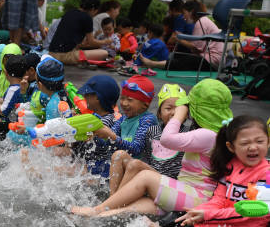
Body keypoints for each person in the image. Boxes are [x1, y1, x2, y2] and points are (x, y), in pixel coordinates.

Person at [71, 78, 233, 217]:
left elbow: (167, 139)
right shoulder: (212, 133)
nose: (182, 111)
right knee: (130, 207)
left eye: (186, 107)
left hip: (195, 195)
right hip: (188, 191)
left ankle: (98, 209)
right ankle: (104, 213)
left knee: (146, 177)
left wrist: (179, 114)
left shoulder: (208, 135)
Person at [108, 84, 188, 194]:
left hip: (171, 184)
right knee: (119, 155)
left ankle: (114, 201)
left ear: (186, 113)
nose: (174, 113)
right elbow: (147, 159)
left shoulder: (188, 134)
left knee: (136, 164)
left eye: (178, 109)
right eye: (168, 108)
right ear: (159, 114)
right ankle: (113, 197)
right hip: (151, 175)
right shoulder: (153, 131)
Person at [71, 75, 121, 178]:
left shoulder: (106, 121)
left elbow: (93, 138)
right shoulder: (95, 116)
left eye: (87, 94)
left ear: (97, 98)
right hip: (90, 162)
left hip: (99, 167)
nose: (84, 97)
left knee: (63, 171)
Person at [48, 0, 109, 64]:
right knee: (104, 53)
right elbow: (91, 42)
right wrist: (105, 42)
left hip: (51, 53)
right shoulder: (87, 18)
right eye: (96, 12)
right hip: (64, 56)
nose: (95, 14)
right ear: (92, 9)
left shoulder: (70, 12)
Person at [165, 0, 223, 71]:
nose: (183, 17)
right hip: (213, 59)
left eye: (184, 13)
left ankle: (154, 64)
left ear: (191, 12)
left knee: (183, 61)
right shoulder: (202, 20)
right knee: (183, 59)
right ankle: (155, 63)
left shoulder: (201, 22)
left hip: (211, 60)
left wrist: (179, 39)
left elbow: (196, 48)